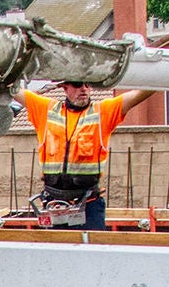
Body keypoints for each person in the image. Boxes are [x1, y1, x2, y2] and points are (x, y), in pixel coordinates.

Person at [17, 80, 154, 229]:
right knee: (55, 251)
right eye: (77, 84)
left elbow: (139, 94)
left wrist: (164, 75)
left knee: (91, 251)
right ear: (64, 87)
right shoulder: (46, 110)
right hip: (54, 205)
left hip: (88, 206)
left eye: (88, 84)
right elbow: (13, 90)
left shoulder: (102, 112)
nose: (83, 89)